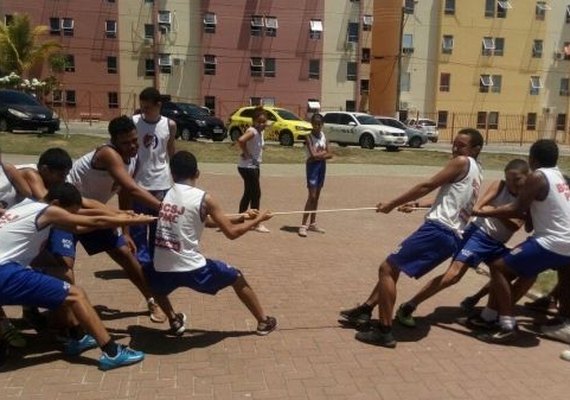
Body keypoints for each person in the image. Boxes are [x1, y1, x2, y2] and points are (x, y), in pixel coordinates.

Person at [340, 128, 484, 348]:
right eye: (454, 143)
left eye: (462, 145)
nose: (455, 148)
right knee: (393, 268)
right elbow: (450, 201)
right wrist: (417, 205)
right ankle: (366, 310)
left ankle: (384, 331)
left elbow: (427, 185)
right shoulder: (477, 172)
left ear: (475, 149)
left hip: (439, 230)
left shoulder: (462, 162)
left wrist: (392, 204)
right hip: (450, 235)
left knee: (386, 269)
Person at [0, 183, 154, 370]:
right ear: (56, 203)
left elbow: (80, 221)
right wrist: (130, 221)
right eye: (69, 212)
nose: (70, 217)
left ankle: (75, 336)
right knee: (76, 295)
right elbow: (90, 223)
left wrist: (121, 215)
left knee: (59, 275)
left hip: (8, 270)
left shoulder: (26, 206)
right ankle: (112, 352)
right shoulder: (49, 210)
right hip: (4, 273)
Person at [47, 116, 166, 323]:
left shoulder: (134, 159)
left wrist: (126, 231)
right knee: (63, 265)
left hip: (95, 211)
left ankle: (152, 299)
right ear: (114, 141)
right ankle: (65, 319)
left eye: (134, 140)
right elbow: (132, 188)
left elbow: (124, 194)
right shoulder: (107, 153)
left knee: (126, 254)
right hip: (68, 211)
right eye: (125, 142)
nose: (132, 146)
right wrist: (163, 208)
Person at [145, 151, 277, 336]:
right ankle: (263, 322)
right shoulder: (204, 198)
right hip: (191, 268)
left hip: (162, 264)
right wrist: (259, 219)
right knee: (236, 276)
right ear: (197, 173)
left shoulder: (164, 195)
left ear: (171, 174)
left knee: (155, 283)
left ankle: (174, 321)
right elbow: (231, 234)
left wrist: (241, 217)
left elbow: (202, 220)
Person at [395, 159, 530, 328]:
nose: (512, 184)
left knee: (512, 272)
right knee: (453, 276)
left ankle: (482, 304)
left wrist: (491, 211)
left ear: (527, 177)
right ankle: (409, 306)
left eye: (517, 179)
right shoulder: (500, 186)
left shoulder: (528, 198)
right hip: (478, 235)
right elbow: (477, 207)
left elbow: (515, 224)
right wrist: (418, 204)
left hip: (497, 243)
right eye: (509, 179)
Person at [472, 139, 570, 347]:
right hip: (564, 243)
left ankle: (507, 325)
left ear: (532, 159)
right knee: (526, 270)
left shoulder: (538, 176)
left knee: (499, 268)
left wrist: (482, 211)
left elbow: (516, 208)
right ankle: (490, 315)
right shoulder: (560, 176)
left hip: (552, 241)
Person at [131, 87, 176, 271]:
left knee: (159, 227)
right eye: (142, 107)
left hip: (162, 183)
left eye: (148, 107)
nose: (144, 111)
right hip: (139, 183)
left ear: (159, 105)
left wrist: (176, 177)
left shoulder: (169, 125)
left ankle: (156, 263)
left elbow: (171, 150)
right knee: (139, 226)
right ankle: (141, 264)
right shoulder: (133, 122)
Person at [0, 161, 32, 349]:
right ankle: (4, 325)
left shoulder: (6, 168)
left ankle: (30, 310)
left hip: (11, 231)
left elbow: (30, 197)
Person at [298, 113, 333, 237]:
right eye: (315, 124)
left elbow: (331, 154)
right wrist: (322, 154)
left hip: (321, 167)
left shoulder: (324, 136)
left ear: (322, 125)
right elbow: (312, 154)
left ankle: (312, 223)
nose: (317, 127)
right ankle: (303, 224)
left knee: (317, 196)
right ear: (311, 124)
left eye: (319, 124)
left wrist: (319, 155)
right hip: (312, 168)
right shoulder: (308, 137)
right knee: (311, 196)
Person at [237, 106, 269, 233]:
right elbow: (241, 140)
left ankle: (240, 219)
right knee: (256, 194)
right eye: (259, 122)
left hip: (252, 166)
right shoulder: (253, 131)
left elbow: (256, 145)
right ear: (253, 121)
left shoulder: (260, 132)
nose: (262, 124)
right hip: (248, 167)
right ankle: (256, 223)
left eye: (264, 122)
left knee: (249, 193)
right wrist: (246, 153)